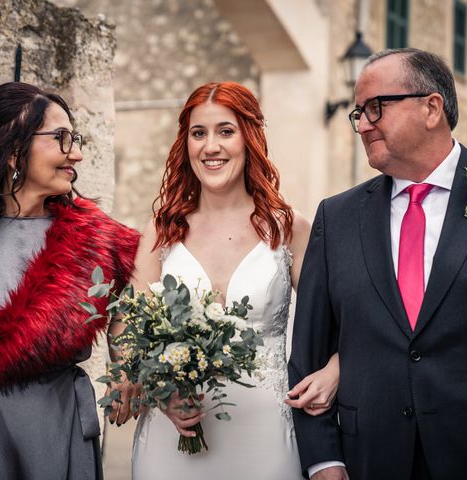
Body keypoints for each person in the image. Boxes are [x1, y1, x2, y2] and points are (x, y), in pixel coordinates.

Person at [288, 48, 467, 480]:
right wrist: (324, 462)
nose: (362, 124)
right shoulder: (335, 219)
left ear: (432, 108)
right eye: (357, 113)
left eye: (376, 107)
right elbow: (309, 355)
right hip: (374, 462)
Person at [0, 82, 139, 479]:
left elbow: (122, 301)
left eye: (76, 138)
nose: (77, 153)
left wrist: (122, 365)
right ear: (14, 149)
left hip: (61, 430)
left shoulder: (92, 237)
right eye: (61, 139)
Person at [125, 81, 339, 480]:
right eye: (198, 133)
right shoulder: (161, 233)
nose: (211, 147)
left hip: (266, 439)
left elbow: (343, 320)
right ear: (184, 144)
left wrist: (335, 370)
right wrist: (161, 391)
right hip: (171, 440)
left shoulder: (290, 230)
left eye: (226, 131)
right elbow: (128, 331)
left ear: (249, 138)